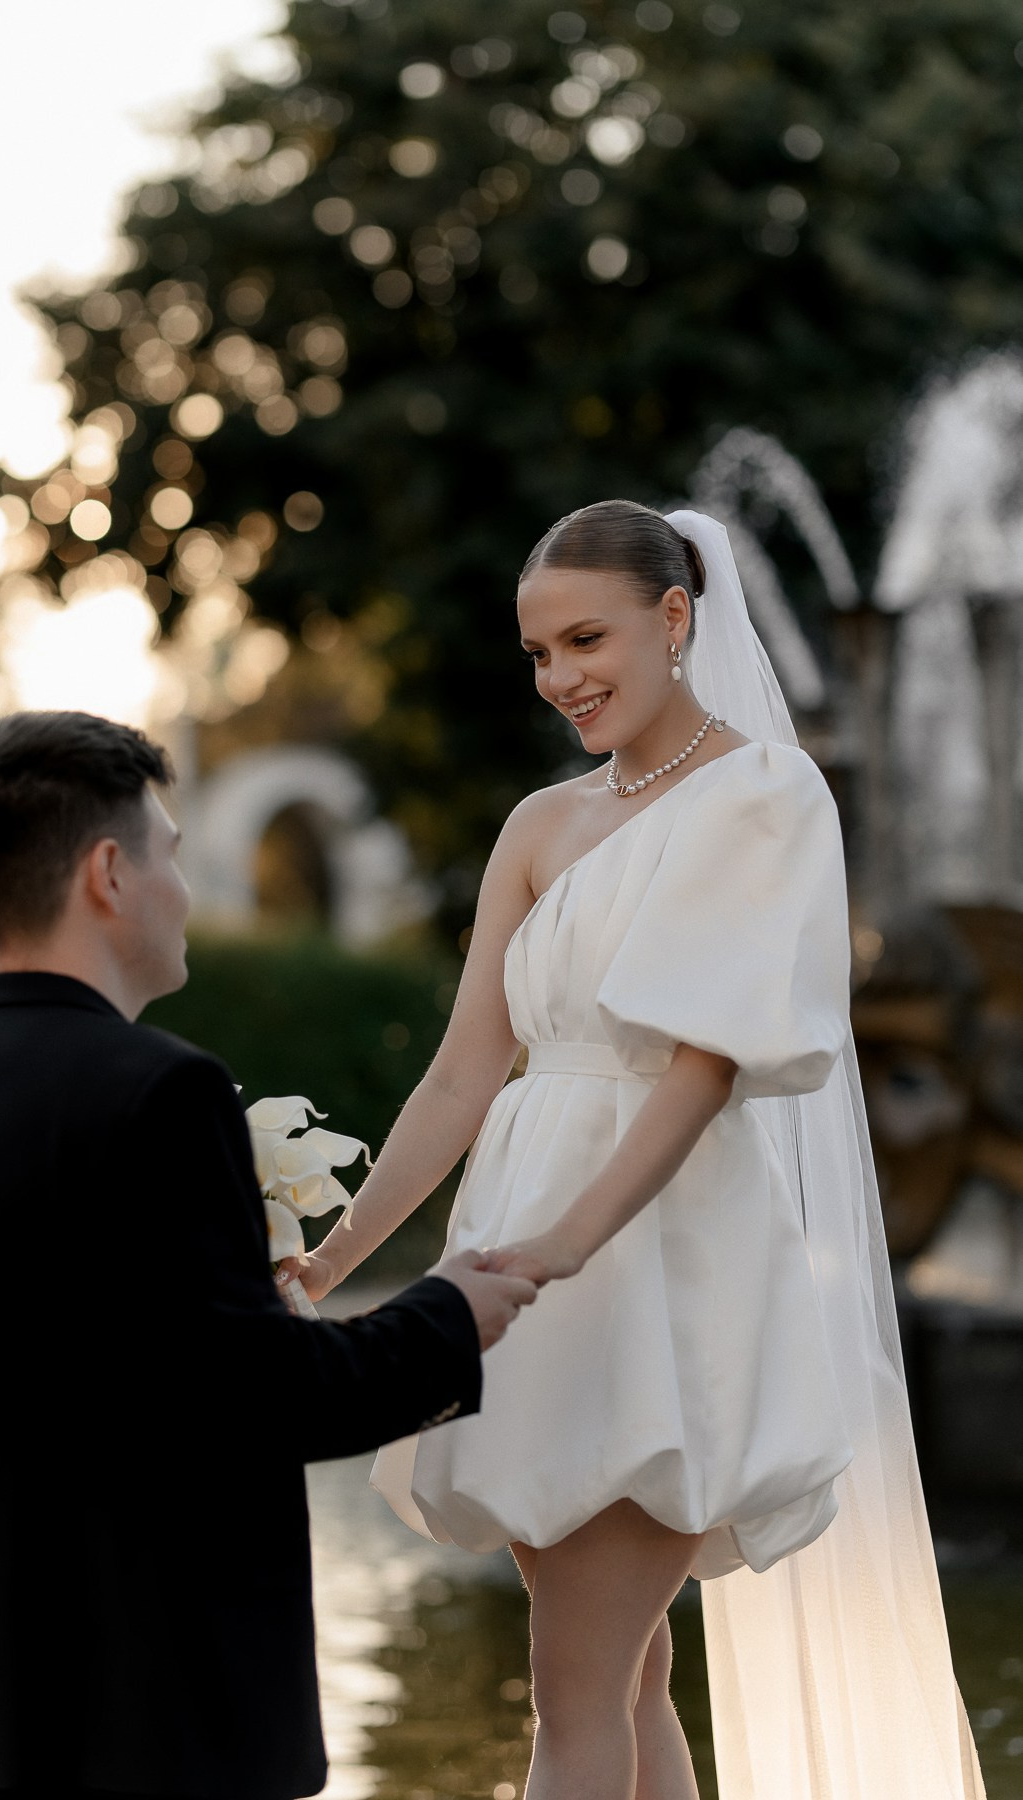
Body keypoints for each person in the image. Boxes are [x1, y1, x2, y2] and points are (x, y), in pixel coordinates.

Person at [282, 504, 987, 1800]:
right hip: (520, 1266)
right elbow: (457, 1077)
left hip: (648, 1267)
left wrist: (563, 1246)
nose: (561, 678)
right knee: (625, 1678)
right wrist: (331, 1261)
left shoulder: (763, 794)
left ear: (675, 620)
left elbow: (700, 1068)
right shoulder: (538, 824)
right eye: (538, 654)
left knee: (574, 1696)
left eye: (585, 638)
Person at [0, 709, 537, 1800]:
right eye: (169, 851)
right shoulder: (163, 1093)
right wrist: (448, 1314)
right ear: (108, 873)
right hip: (166, 1705)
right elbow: (261, 1399)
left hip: (6, 1711)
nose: (186, 887)